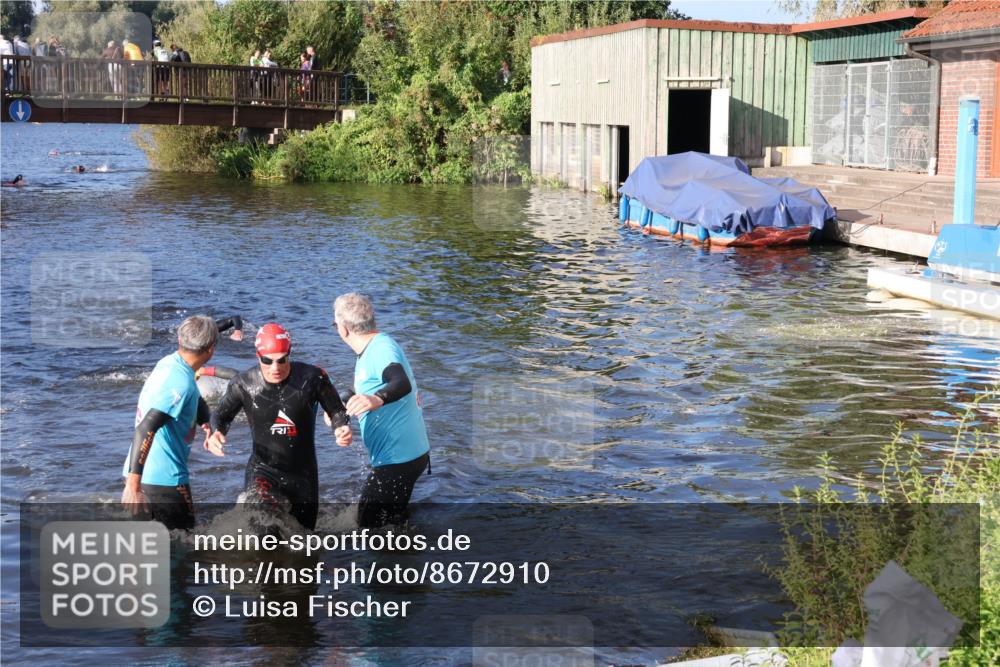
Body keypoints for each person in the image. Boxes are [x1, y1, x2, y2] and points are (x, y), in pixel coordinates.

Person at [208, 323, 352, 530]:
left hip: (303, 474)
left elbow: (337, 410)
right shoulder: (243, 384)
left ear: (289, 353)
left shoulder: (312, 378)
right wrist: (216, 433)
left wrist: (340, 427)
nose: (275, 367)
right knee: (263, 526)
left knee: (305, 540)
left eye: (281, 359)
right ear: (258, 356)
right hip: (263, 470)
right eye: (268, 360)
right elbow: (220, 416)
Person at [332, 293, 430, 528]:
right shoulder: (373, 348)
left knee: (368, 527)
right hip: (407, 456)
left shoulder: (381, 349)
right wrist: (337, 415)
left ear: (343, 329)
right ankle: (405, 554)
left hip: (399, 460)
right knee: (391, 523)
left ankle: (387, 563)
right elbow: (359, 389)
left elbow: (400, 382)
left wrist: (376, 399)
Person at [121, 315, 220, 530]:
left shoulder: (171, 363)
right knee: (183, 549)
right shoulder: (181, 383)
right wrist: (132, 486)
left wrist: (206, 422)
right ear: (211, 349)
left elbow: (194, 396)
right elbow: (145, 428)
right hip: (163, 481)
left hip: (139, 470)